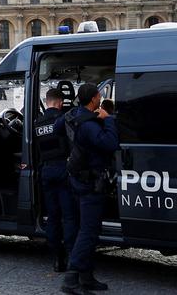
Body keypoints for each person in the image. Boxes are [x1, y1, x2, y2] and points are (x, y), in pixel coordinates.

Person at [61, 83, 118, 294]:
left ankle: (86, 277)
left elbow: (58, 130)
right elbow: (110, 143)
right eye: (98, 96)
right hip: (90, 184)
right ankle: (71, 278)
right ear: (94, 98)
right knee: (88, 231)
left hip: (78, 180)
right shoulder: (89, 124)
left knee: (87, 230)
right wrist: (109, 119)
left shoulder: (74, 116)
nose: (100, 98)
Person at [35, 87, 78, 273]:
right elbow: (73, 145)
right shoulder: (62, 120)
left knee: (53, 217)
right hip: (62, 170)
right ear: (60, 103)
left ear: (47, 102)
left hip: (46, 171)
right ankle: (70, 255)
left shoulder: (38, 123)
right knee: (68, 216)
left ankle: (57, 258)